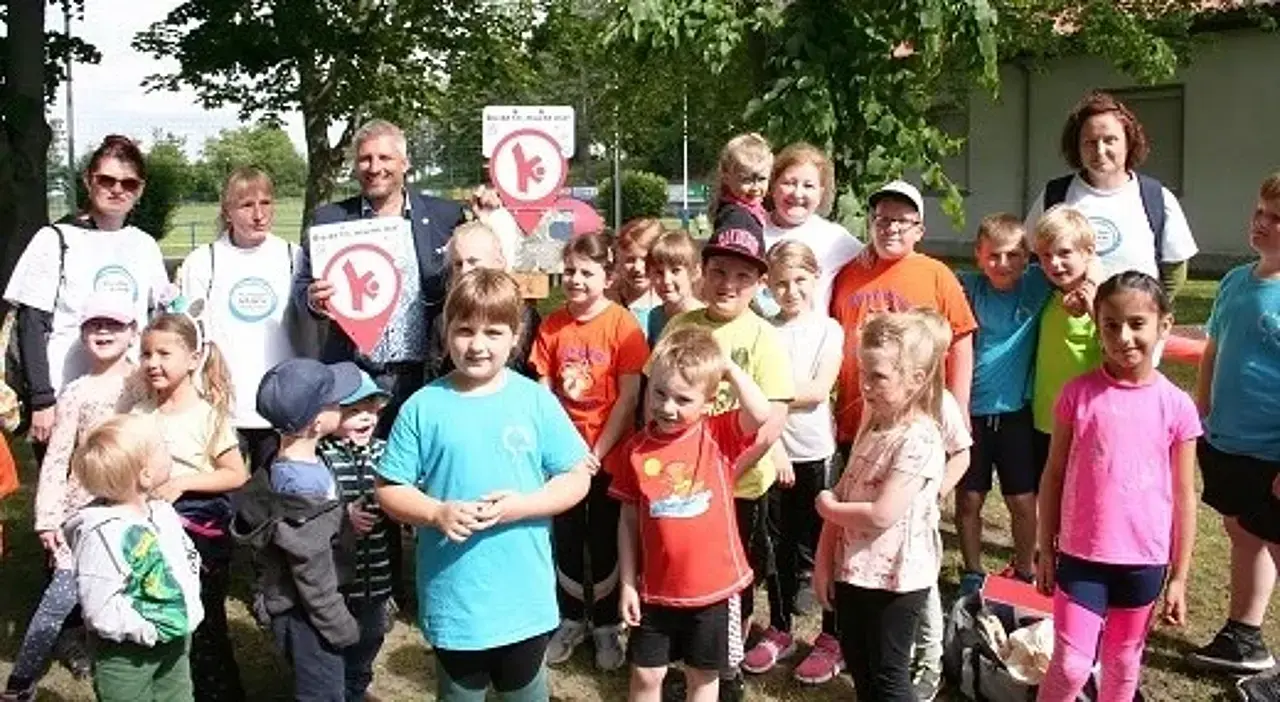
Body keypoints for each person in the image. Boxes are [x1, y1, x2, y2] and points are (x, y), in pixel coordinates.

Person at [375, 269, 593, 701]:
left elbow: (575, 475)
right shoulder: (422, 407)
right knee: (459, 693)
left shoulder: (534, 400)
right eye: (465, 331)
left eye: (493, 332)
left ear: (515, 336)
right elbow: (389, 489)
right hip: (455, 600)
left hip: (524, 598)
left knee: (525, 691)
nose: (477, 345)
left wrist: (525, 506)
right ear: (445, 331)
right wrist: (436, 513)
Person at [821, 180, 976, 687]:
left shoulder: (936, 275)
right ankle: (841, 638)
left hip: (914, 428)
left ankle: (927, 660)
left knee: (904, 561)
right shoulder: (849, 276)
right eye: (882, 218)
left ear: (919, 229)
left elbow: (959, 346)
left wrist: (956, 409)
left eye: (902, 220)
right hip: (862, 423)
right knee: (857, 542)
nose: (890, 227)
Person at [1035, 272, 1200, 701]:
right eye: (1110, 324)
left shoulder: (1177, 407)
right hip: (1080, 555)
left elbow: (1184, 496)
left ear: (1164, 325)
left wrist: (1179, 575)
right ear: (1096, 323)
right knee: (1071, 666)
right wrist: (1044, 546)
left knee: (1124, 664)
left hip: (1143, 561)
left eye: (1136, 323)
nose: (1123, 336)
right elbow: (1053, 474)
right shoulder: (1077, 395)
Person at [652, 204, 794, 701]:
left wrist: (722, 471)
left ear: (758, 282)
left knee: (731, 583)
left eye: (741, 275)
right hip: (675, 487)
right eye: (717, 272)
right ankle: (682, 661)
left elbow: (771, 422)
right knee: (679, 568)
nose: (727, 283)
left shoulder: (764, 339)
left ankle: (724, 668)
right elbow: (657, 394)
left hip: (736, 487)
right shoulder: (681, 326)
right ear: (701, 272)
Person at [611, 326, 772, 702]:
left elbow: (761, 412)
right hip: (655, 591)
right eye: (660, 393)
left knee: (702, 677)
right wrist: (629, 583)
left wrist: (727, 367)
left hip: (713, 591)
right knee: (647, 675)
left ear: (709, 400)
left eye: (683, 399)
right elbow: (628, 520)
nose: (667, 407)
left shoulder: (719, 434)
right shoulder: (635, 450)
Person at [2, 294, 140, 702]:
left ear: (133, 333)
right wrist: (48, 518)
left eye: (114, 325)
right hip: (80, 516)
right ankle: (20, 682)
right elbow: (57, 458)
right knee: (58, 599)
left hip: (134, 512)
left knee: (128, 594)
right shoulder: (76, 391)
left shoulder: (146, 383)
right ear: (81, 334)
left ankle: (126, 671)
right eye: (94, 325)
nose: (103, 332)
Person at [3, 135, 168, 461]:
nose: (117, 189)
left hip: (129, 397)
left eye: (128, 183)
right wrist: (41, 400)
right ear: (88, 181)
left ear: (140, 189)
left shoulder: (145, 246)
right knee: (63, 498)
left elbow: (158, 319)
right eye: (106, 179)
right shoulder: (54, 240)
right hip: (64, 396)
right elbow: (30, 324)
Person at [296, 119, 466, 435]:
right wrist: (313, 299)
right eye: (365, 159)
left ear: (405, 163)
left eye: (384, 158)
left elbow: (475, 270)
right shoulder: (329, 220)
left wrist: (492, 218)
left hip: (426, 374)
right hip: (356, 378)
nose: (374, 167)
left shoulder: (446, 215)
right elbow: (302, 288)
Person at [814, 311, 947, 702]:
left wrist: (825, 508)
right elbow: (843, 491)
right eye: (863, 373)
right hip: (854, 569)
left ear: (916, 380)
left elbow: (881, 514)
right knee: (860, 665)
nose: (866, 386)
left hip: (896, 580)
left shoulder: (919, 439)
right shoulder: (873, 426)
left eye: (879, 377)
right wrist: (824, 563)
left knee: (889, 677)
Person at [532, 233, 648, 671]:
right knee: (565, 538)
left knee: (603, 543)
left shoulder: (624, 326)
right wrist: (565, 450)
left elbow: (628, 398)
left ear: (608, 276)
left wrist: (595, 452)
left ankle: (604, 625)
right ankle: (568, 620)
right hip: (563, 459)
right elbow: (544, 396)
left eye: (587, 272)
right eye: (570, 271)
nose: (576, 280)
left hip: (606, 459)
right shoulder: (551, 326)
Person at [1187, 172, 1280, 681]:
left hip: (1273, 451)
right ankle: (1244, 637)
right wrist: (1202, 411)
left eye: (1276, 218)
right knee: (1243, 531)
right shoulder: (1235, 281)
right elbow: (1213, 350)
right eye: (1258, 212)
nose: (1261, 224)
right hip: (1227, 440)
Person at [130, 312, 249, 702]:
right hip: (149, 536)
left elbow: (235, 474)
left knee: (203, 625)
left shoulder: (206, 415)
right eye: (146, 353)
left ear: (194, 359)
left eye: (164, 353)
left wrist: (182, 483)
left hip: (200, 537)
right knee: (159, 620)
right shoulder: (137, 414)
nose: (153, 363)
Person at [234, 357, 363, 702]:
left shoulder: (288, 463)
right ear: (317, 421)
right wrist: (339, 624)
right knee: (322, 693)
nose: (344, 406)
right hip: (308, 614)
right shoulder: (302, 489)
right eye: (337, 402)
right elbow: (311, 568)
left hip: (305, 607)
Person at [741, 241, 843, 677]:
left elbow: (819, 389)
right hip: (773, 454)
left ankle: (832, 635)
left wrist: (773, 397)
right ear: (767, 285)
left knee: (823, 545)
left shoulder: (829, 329)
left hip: (817, 453)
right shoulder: (764, 331)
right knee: (777, 544)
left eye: (800, 281)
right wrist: (774, 443)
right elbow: (756, 397)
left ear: (815, 279)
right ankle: (780, 627)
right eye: (780, 283)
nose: (791, 291)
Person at [65, 414, 204, 702]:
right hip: (126, 654)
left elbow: (182, 560)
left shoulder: (162, 512)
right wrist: (148, 629)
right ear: (145, 474)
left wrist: (188, 605)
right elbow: (99, 609)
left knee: (178, 695)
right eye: (163, 447)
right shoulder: (103, 534)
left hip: (175, 640)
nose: (169, 451)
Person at [178, 167, 301, 474]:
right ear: (227, 211)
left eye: (266, 203)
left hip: (280, 407)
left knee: (273, 502)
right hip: (223, 406)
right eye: (247, 205)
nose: (259, 214)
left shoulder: (294, 257)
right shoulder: (203, 261)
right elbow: (187, 332)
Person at [955, 214, 1055, 593]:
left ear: (1028, 258)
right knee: (970, 498)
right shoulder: (968, 287)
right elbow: (926, 278)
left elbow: (1079, 267)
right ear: (979, 257)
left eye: (1014, 255)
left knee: (1023, 500)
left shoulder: (1037, 285)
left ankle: (1026, 570)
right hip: (972, 415)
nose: (1003, 264)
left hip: (1016, 415)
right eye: (994, 255)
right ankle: (972, 570)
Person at [1025, 90, 1197, 299]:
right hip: (1066, 325)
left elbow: (1175, 270)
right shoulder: (1054, 195)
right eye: (1090, 142)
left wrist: (1149, 311)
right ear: (1077, 147)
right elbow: (1031, 257)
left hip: (1130, 327)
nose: (1099, 150)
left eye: (1110, 140)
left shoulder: (1157, 197)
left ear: (1128, 141)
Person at [318, 372, 395, 702]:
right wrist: (343, 515)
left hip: (376, 571)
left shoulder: (384, 451)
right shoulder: (321, 456)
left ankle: (358, 685)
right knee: (335, 637)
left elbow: (402, 488)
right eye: (353, 411)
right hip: (337, 576)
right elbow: (310, 507)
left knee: (371, 634)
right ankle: (338, 686)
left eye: (372, 408)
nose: (366, 416)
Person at [1029, 206, 1102, 479]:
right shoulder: (1046, 294)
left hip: (1085, 423)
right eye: (1046, 256)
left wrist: (1093, 301)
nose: (1054, 263)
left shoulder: (1104, 301)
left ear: (1088, 252)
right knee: (1048, 498)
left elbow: (1116, 353)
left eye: (1064, 253)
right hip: (1044, 420)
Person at [424, 221, 541, 382]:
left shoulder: (524, 316)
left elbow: (534, 375)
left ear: (499, 263)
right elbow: (433, 379)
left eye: (473, 261)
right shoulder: (443, 319)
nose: (464, 270)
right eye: (458, 263)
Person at [760, 143, 863, 316]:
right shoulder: (753, 229)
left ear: (821, 193)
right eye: (789, 183)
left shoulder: (834, 238)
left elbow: (874, 263)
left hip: (813, 340)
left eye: (808, 186)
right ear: (773, 186)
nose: (797, 194)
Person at [644, 230, 703, 345]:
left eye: (675, 271)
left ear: (695, 272)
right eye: (659, 272)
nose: (666, 280)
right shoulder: (655, 316)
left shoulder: (703, 320)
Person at [609, 218, 664, 330]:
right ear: (619, 260)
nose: (638, 268)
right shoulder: (607, 299)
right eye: (630, 260)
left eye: (645, 259)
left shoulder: (666, 301)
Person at [707, 133, 772, 224]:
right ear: (726, 178)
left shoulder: (754, 210)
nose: (755, 188)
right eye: (746, 180)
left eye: (762, 179)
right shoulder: (736, 220)